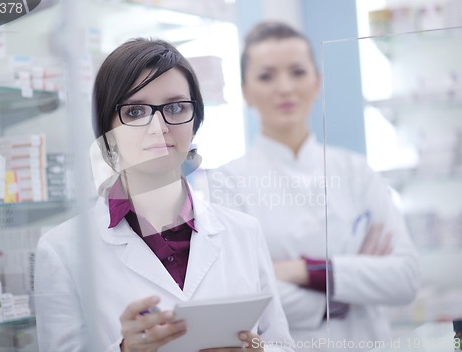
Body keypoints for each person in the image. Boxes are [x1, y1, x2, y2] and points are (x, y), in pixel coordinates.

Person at [34, 38, 295, 352]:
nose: (158, 127)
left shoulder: (244, 231)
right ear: (107, 129)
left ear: (195, 119)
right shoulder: (63, 250)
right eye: (134, 111)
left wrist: (258, 351)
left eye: (175, 107)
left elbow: (282, 343)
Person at [207, 21, 420, 351]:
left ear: (317, 81)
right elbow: (244, 296)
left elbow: (404, 278)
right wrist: (345, 294)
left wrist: (304, 271)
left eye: (297, 72)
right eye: (266, 76)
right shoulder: (224, 184)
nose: (285, 88)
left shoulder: (356, 171)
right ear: (245, 92)